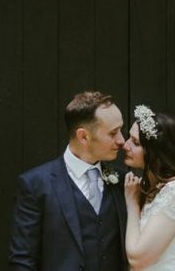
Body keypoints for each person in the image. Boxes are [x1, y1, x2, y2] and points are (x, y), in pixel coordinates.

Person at [9, 91, 128, 270]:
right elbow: (22, 260)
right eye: (113, 133)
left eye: (121, 129)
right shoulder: (36, 184)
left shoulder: (123, 181)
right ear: (83, 136)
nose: (122, 140)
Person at [122, 105, 175, 271]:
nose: (125, 145)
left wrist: (132, 203)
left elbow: (137, 258)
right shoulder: (149, 189)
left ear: (156, 152)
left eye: (136, 142)